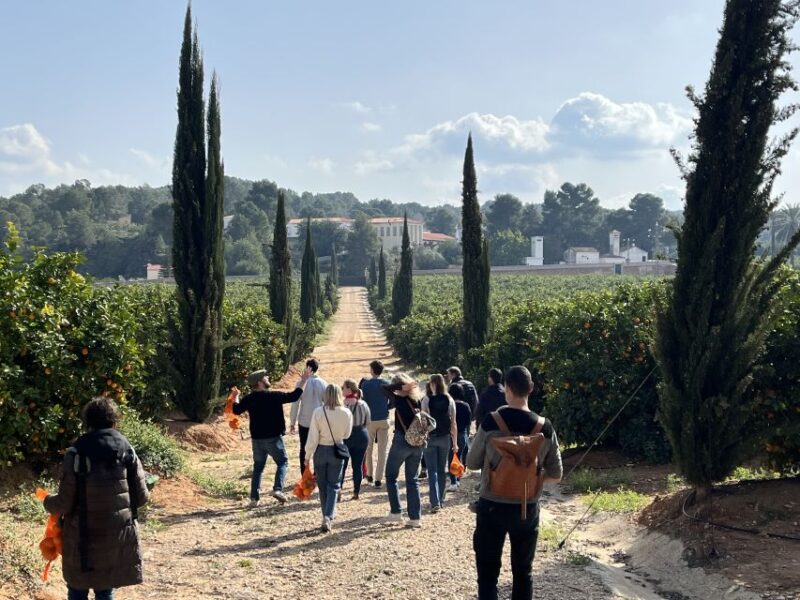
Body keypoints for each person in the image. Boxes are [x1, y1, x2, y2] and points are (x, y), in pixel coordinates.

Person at [467, 366, 563, 600]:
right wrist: (531, 481)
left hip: (491, 505)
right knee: (523, 572)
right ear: (530, 389)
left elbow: (471, 462)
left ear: (507, 389)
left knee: (488, 573)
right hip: (526, 508)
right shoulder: (544, 426)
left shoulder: (492, 421)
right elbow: (556, 473)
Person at [42, 397, 149, 600]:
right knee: (105, 590)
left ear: (88, 422)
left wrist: (47, 500)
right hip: (116, 536)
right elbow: (142, 497)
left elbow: (64, 503)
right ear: (114, 421)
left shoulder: (76, 453)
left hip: (82, 539)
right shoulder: (127, 451)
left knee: (77, 590)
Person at [232, 369, 308, 507]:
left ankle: (254, 499)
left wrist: (236, 395)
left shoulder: (249, 399)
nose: (268, 377)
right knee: (283, 462)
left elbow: (236, 409)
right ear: (260, 382)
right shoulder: (274, 396)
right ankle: (277, 489)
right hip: (273, 438)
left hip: (257, 440)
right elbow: (294, 396)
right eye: (265, 377)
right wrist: (304, 380)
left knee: (258, 468)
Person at [305, 384, 353, 532]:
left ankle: (325, 514)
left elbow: (313, 437)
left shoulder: (318, 412)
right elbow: (347, 435)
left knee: (323, 485)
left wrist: (307, 456)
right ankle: (328, 516)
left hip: (320, 450)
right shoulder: (346, 412)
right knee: (334, 485)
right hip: (337, 450)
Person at [382, 373, 425, 527]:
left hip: (401, 441)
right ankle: (415, 518)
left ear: (398, 386)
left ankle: (396, 512)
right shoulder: (417, 400)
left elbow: (384, 388)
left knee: (391, 476)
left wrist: (399, 388)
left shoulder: (399, 399)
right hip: (418, 443)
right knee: (412, 480)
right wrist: (405, 387)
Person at [421, 374, 458, 512]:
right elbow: (454, 422)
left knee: (432, 471)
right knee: (442, 470)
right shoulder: (449, 399)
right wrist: (455, 443)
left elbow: (424, 422)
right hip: (445, 437)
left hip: (430, 438)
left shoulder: (426, 399)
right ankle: (441, 500)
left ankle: (434, 501)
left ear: (431, 384)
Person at [290, 359, 328, 473]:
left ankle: (304, 473)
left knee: (304, 448)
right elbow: (326, 403)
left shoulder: (300, 383)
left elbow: (295, 404)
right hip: (318, 421)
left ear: (307, 368)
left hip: (304, 421)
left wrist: (292, 422)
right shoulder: (323, 383)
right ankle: (317, 473)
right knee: (317, 447)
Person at [359, 360, 390, 487]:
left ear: (372, 370)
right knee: (382, 450)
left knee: (369, 449)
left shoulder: (365, 384)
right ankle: (378, 479)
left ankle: (369, 475)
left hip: (370, 420)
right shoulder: (386, 384)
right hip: (383, 419)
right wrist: (387, 407)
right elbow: (392, 399)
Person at [341, 379, 371, 500]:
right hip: (362, 434)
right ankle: (356, 492)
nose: (342, 390)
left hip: (346, 435)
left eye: (343, 387)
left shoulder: (343, 404)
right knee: (357, 465)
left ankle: (338, 489)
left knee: (342, 464)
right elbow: (368, 421)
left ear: (349, 389)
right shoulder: (363, 404)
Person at [448, 386, 472, 492]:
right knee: (459, 457)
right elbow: (468, 421)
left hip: (451, 434)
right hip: (463, 434)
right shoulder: (466, 405)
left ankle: (453, 482)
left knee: (451, 458)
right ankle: (458, 479)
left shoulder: (450, 405)